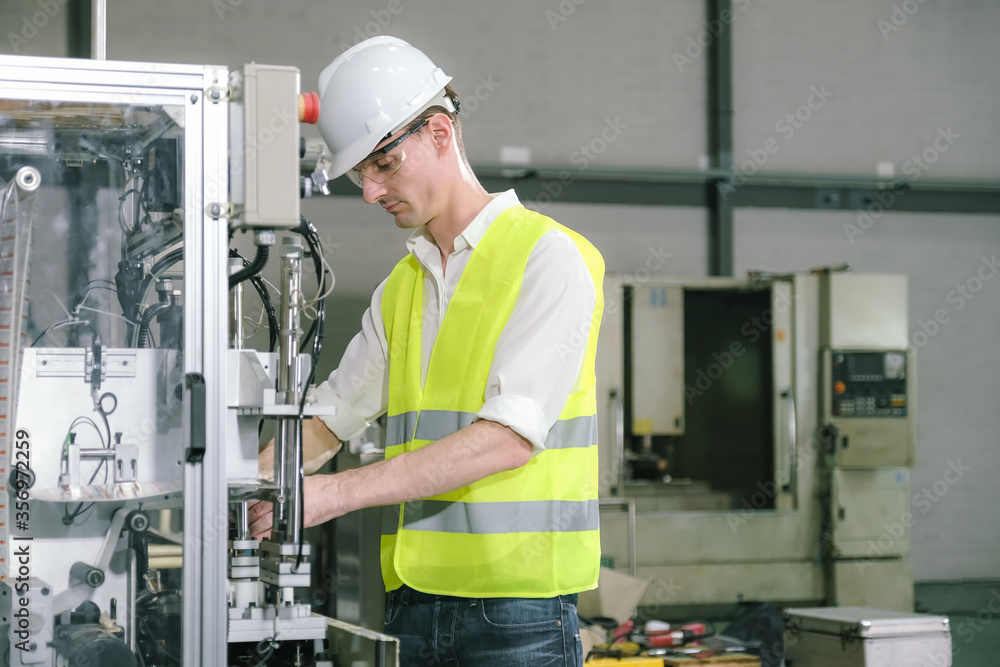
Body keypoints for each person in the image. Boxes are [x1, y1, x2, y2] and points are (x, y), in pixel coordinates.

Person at [249, 35, 604, 667]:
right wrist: (243, 484)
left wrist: (331, 495)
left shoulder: (549, 258)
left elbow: (506, 438)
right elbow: (329, 420)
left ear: (439, 133)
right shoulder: (403, 287)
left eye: (382, 165)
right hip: (412, 604)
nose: (369, 192)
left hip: (517, 613)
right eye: (360, 174)